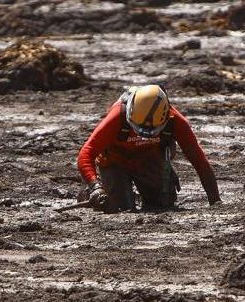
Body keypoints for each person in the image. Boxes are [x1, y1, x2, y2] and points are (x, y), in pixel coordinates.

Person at [77, 85, 220, 212]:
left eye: (152, 131)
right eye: (138, 129)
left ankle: (164, 172)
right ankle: (92, 188)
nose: (143, 134)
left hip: (149, 158)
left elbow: (199, 160)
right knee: (116, 208)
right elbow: (86, 154)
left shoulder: (176, 121)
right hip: (114, 161)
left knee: (163, 205)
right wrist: (94, 187)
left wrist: (215, 201)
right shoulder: (117, 116)